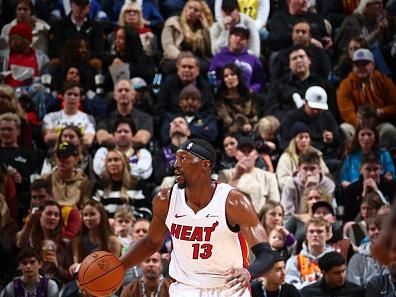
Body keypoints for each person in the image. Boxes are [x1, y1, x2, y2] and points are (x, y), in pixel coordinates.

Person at [114, 138, 274, 296]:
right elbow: (151, 243)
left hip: (228, 288)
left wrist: (249, 272)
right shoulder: (165, 200)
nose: (176, 164)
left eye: (183, 158)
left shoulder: (233, 202)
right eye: (176, 158)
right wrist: (118, 267)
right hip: (185, 288)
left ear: (205, 165)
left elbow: (267, 254)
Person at [337, 48, 396, 149]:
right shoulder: (346, 85)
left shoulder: (384, 80)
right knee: (345, 129)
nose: (361, 67)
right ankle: (351, 157)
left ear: (373, 65)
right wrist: (361, 126)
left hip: (378, 124)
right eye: (357, 65)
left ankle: (381, 156)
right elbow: (346, 112)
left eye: (365, 64)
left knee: (389, 129)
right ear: (353, 67)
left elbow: (394, 104)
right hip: (356, 125)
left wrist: (381, 112)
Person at [280, 86, 342, 168]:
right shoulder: (291, 117)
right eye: (313, 108)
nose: (316, 111)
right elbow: (284, 143)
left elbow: (338, 140)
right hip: (298, 159)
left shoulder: (327, 117)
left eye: (319, 109)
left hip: (323, 157)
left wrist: (331, 139)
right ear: (305, 102)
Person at [219, 136, 280, 213]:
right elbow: (220, 203)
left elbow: (274, 206)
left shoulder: (268, 177)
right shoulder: (225, 174)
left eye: (249, 151)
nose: (246, 154)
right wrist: (236, 176)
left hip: (260, 221)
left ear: (256, 154)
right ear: (236, 154)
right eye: (243, 151)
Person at [92, 149, 151, 219]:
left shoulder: (137, 184)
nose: (112, 163)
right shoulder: (100, 185)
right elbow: (95, 210)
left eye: (116, 160)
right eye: (109, 161)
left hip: (131, 224)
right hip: (107, 226)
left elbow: (147, 210)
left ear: (124, 162)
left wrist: (129, 220)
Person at [96, 79, 153, 148]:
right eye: (120, 90)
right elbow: (102, 139)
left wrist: (114, 137)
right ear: (114, 95)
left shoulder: (145, 118)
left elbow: (141, 140)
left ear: (133, 95)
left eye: (127, 90)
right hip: (111, 155)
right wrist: (130, 138)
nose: (123, 93)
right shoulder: (105, 118)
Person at [160, 0, 213, 74]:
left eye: (196, 10)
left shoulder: (201, 29)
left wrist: (206, 29)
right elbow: (168, 47)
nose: (192, 11)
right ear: (185, 9)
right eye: (190, 8)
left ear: (200, 15)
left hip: (197, 60)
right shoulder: (173, 23)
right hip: (175, 58)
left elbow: (209, 50)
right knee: (174, 67)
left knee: (207, 66)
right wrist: (184, 58)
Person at [341, 151, 396, 221]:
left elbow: (392, 215)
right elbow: (351, 218)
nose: (372, 173)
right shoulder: (351, 190)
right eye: (368, 169)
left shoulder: (391, 186)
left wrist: (377, 192)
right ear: (360, 170)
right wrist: (364, 196)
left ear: (381, 169)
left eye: (376, 169)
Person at [209, 24, 265, 93]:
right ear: (229, 38)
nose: (238, 39)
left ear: (246, 42)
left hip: (246, 96)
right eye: (236, 35)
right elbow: (211, 78)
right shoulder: (218, 57)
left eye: (243, 37)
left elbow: (260, 81)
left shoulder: (253, 60)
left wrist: (252, 90)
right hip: (223, 95)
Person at [340, 121, 395, 188]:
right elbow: (343, 180)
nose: (366, 138)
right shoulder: (350, 155)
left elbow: (392, 175)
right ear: (357, 137)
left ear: (375, 136)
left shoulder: (384, 154)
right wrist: (354, 189)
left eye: (369, 134)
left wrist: (389, 177)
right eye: (362, 134)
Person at [42, 81, 96, 148]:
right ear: (62, 96)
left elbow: (88, 141)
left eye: (76, 95)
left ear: (80, 98)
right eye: (69, 94)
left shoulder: (88, 118)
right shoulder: (50, 117)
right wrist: (75, 136)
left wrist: (61, 136)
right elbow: (48, 138)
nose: (72, 97)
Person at [285, 217, 334, 289]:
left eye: (319, 231)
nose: (315, 235)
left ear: (327, 235)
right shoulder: (295, 261)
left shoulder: (335, 260)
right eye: (311, 231)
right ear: (306, 236)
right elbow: (291, 288)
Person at [215, 63, 262, 135]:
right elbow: (226, 120)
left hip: (253, 129)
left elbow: (256, 115)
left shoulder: (250, 94)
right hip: (232, 132)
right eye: (226, 76)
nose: (230, 78)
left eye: (233, 74)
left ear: (239, 77)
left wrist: (250, 125)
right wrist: (241, 127)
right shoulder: (221, 99)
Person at [300, 251, 364, 297]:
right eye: (336, 273)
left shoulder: (357, 292)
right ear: (324, 273)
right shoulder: (309, 293)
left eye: (343, 271)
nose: (342, 276)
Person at [347, 213, 387, 287]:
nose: (376, 232)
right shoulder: (357, 260)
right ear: (368, 233)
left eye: (380, 228)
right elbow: (355, 288)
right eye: (372, 229)